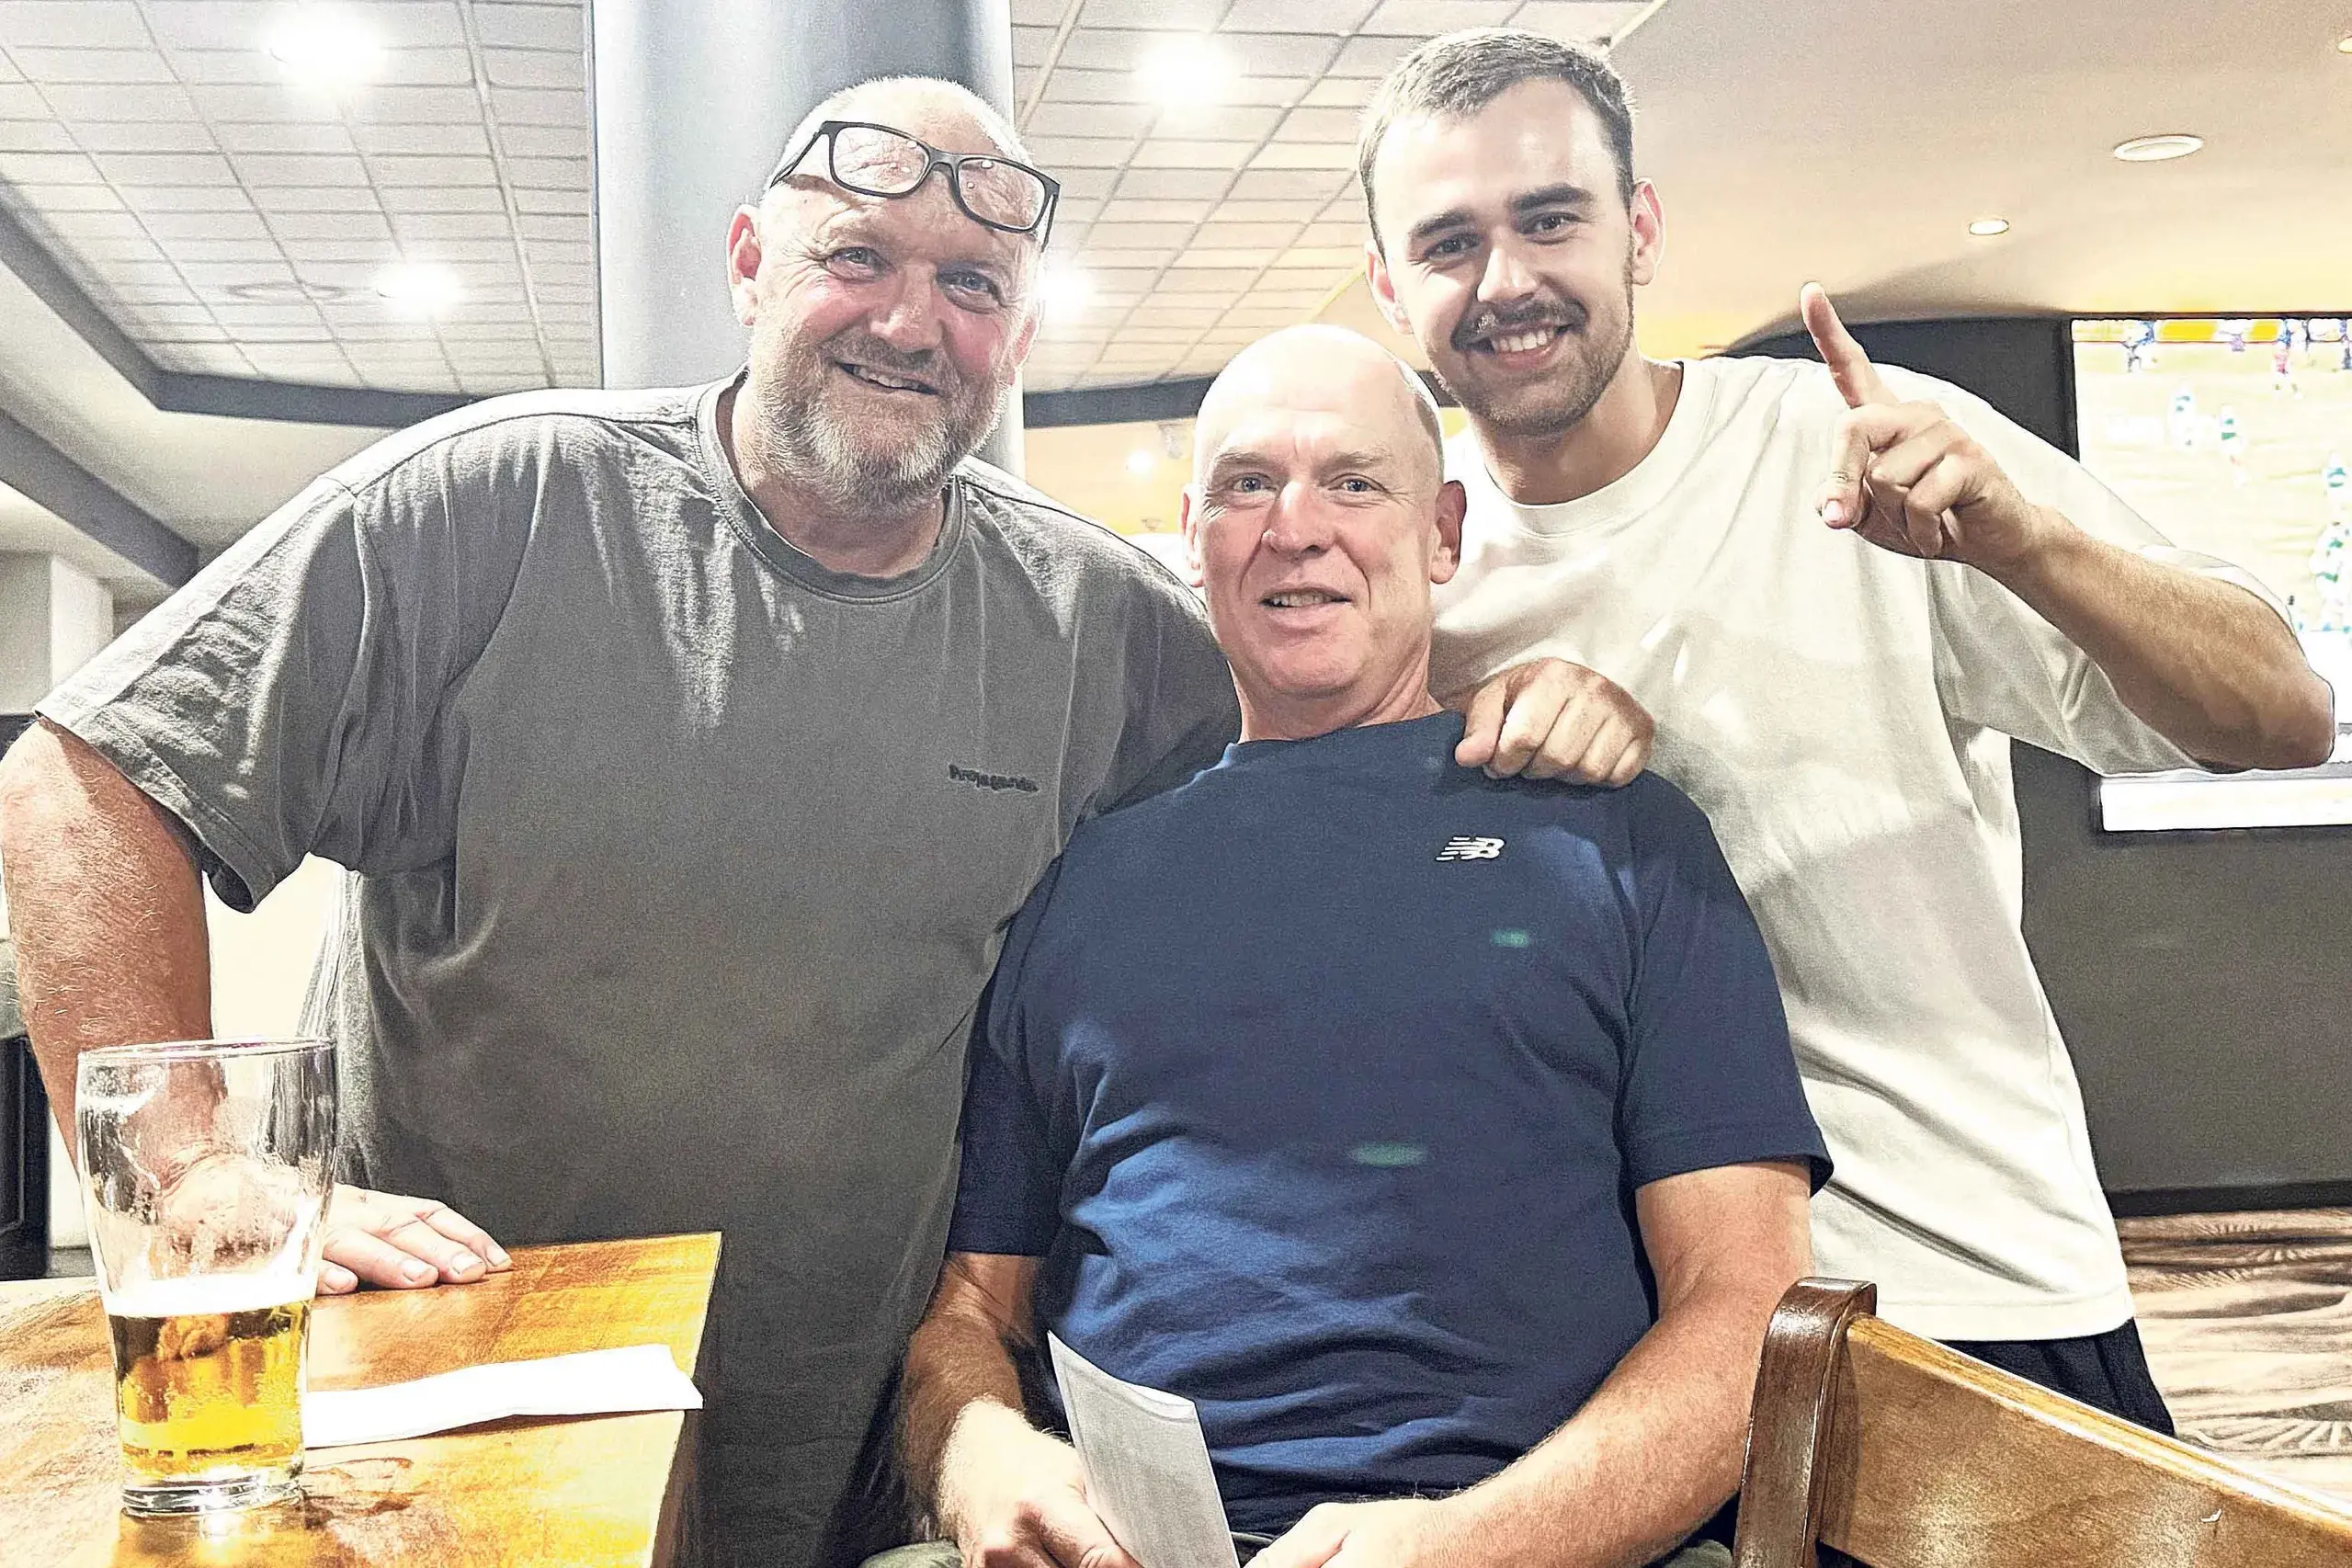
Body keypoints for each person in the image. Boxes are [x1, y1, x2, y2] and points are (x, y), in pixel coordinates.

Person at [0, 74, 1630, 1567]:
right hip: (452, 1443)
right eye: (859, 257)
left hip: (851, 1468)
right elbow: (78, 779)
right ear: (747, 264)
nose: (912, 322)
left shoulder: (1086, 623)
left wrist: (1522, 683)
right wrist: (191, 1162)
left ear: (1014, 335)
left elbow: (1323, 668)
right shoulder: (496, 507)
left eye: (974, 286)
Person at [1356, 28, 2335, 1433]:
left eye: (1549, 218)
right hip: (1633, 1336)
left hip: (1960, 1298)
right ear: (1392, 289)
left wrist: (2023, 545)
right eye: (1448, 242)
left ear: (1637, 230)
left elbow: (2281, 713)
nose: (1504, 280)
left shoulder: (1858, 443)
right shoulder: (1424, 582)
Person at [893, 325, 1826, 1568]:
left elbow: (1749, 1305)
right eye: (1244, 485)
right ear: (1191, 535)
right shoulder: (1084, 881)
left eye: (1352, 481)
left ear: (1442, 531)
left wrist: (1464, 1548)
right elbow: (972, 1309)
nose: (1294, 526)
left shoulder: (1618, 840)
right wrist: (978, 1447)